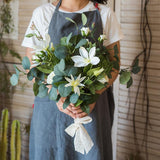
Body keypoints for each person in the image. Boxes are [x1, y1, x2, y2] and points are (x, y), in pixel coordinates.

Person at [22, 0, 123, 159]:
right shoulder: (42, 14)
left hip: (91, 112)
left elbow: (114, 64)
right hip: (50, 111)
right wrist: (56, 93)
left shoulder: (105, 14)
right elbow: (32, 66)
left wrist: (92, 95)